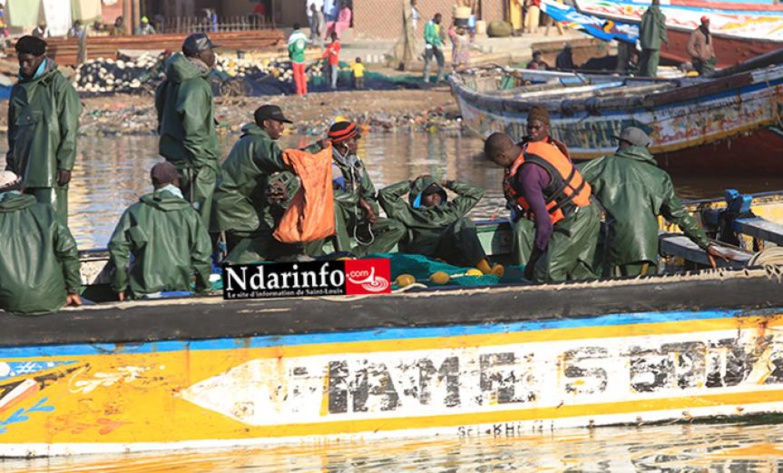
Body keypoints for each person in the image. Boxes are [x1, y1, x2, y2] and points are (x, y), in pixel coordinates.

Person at [578, 127, 725, 276]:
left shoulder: (604, 165)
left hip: (618, 247)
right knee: (645, 295)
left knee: (618, 295)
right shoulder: (659, 176)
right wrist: (706, 244)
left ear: (625, 144)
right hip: (647, 250)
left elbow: (568, 176)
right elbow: (679, 215)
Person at [484, 106, 600, 282]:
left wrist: (532, 263)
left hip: (577, 217)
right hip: (582, 212)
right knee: (575, 271)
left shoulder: (527, 174)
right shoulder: (532, 148)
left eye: (496, 162)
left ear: (501, 157)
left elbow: (544, 224)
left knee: (546, 271)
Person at [213, 105, 327, 263]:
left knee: (267, 225)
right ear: (266, 123)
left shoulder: (249, 140)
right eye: (279, 123)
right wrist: (317, 147)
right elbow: (286, 160)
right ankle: (234, 269)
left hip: (228, 201)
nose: (282, 127)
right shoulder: (259, 142)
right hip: (233, 203)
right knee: (262, 234)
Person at [6, 36, 82, 227]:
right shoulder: (18, 90)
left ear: (40, 58)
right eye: (20, 61)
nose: (23, 66)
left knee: (53, 225)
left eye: (28, 61)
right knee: (27, 227)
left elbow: (70, 128)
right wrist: (11, 163)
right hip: (22, 172)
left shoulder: (59, 87)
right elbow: (13, 133)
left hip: (50, 171)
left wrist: (65, 164)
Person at [108, 162, 211, 300]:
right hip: (181, 289)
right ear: (175, 181)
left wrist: (120, 286)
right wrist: (203, 289)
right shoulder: (190, 213)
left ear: (153, 182)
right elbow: (202, 255)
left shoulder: (134, 211)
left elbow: (117, 249)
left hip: (144, 291)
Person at [155, 33, 221, 227]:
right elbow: (194, 130)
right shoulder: (195, 85)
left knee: (181, 219)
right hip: (195, 165)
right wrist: (203, 163)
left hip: (175, 160)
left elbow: (161, 117)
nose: (214, 56)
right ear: (200, 54)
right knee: (198, 224)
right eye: (211, 51)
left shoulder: (170, 82)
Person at [379, 175, 504, 275]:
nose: (435, 197)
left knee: (464, 222)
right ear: (419, 197)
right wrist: (412, 183)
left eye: (438, 193)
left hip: (448, 250)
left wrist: (446, 183)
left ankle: (484, 267)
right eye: (429, 194)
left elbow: (476, 193)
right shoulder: (407, 213)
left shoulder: (451, 210)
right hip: (426, 254)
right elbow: (385, 194)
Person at [0, 171, 81, 315]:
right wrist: (73, 290)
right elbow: (69, 253)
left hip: (8, 302)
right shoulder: (47, 212)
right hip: (51, 298)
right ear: (21, 189)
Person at [324, 121, 405, 256]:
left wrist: (371, 211)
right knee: (334, 207)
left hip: (357, 218)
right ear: (344, 143)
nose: (357, 144)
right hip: (332, 221)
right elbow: (327, 195)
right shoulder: (323, 163)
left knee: (397, 228)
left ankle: (357, 258)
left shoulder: (356, 163)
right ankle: (345, 256)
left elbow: (369, 192)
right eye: (354, 140)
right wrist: (360, 202)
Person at [639, 0, 668, 77]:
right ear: (659, 4)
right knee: (653, 61)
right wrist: (665, 40)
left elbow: (641, 28)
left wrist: (641, 39)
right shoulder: (660, 15)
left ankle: (641, 75)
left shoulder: (645, 15)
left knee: (644, 59)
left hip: (645, 41)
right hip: (655, 42)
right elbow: (662, 29)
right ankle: (651, 76)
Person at [423, 13, 445, 84]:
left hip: (437, 45)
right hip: (430, 46)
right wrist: (431, 42)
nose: (439, 20)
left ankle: (440, 78)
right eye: (438, 19)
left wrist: (441, 40)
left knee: (441, 61)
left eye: (440, 19)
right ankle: (426, 79)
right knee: (428, 62)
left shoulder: (440, 26)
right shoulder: (429, 25)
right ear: (435, 18)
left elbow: (441, 35)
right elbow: (426, 35)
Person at [288, 23, 309, 96]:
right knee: (302, 74)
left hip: (295, 58)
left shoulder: (292, 37)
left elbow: (290, 48)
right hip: (302, 57)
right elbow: (306, 45)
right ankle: (305, 90)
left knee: (297, 76)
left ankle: (299, 91)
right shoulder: (303, 36)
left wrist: (290, 55)